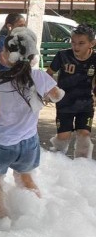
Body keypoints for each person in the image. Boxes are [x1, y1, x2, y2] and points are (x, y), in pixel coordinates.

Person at [0, 28, 64, 222]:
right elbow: (57, 96)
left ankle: (3, 218)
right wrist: (41, 95)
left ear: (7, 56)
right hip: (29, 142)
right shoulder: (40, 77)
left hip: (3, 142)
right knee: (25, 178)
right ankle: (37, 215)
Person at [47, 23, 96, 159]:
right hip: (65, 103)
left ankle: (82, 166)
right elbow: (48, 74)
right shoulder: (63, 56)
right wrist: (50, 91)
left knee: (84, 135)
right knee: (63, 137)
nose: (76, 47)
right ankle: (56, 161)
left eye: (81, 43)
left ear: (92, 43)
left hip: (85, 103)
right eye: (73, 42)